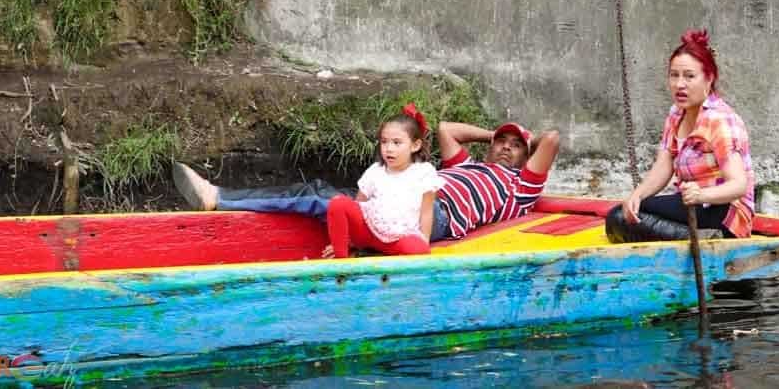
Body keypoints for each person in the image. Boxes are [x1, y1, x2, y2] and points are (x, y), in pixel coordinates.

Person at [173, 116, 560, 242]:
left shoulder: (519, 187)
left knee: (318, 200)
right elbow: (446, 129)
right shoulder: (465, 166)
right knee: (317, 193)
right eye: (501, 142)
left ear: (527, 156)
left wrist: (527, 140)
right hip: (403, 194)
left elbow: (553, 140)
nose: (506, 147)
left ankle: (219, 196)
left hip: (433, 216)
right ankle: (223, 198)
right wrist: (492, 134)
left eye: (515, 146)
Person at [605, 29, 755, 243]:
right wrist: (637, 195)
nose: (679, 84)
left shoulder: (720, 120)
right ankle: (696, 238)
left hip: (724, 211)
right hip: (692, 204)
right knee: (624, 213)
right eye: (674, 75)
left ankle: (711, 238)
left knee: (619, 218)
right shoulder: (676, 114)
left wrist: (702, 195)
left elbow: (738, 185)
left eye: (689, 76)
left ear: (709, 79)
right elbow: (664, 165)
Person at [323, 103, 444, 258]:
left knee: (418, 248)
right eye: (384, 142)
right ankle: (341, 262)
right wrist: (348, 239)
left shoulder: (424, 172)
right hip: (369, 233)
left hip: (399, 238)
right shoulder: (375, 171)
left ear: (415, 145)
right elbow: (359, 204)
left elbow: (427, 212)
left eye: (396, 142)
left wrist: (424, 241)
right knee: (338, 203)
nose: (389, 148)